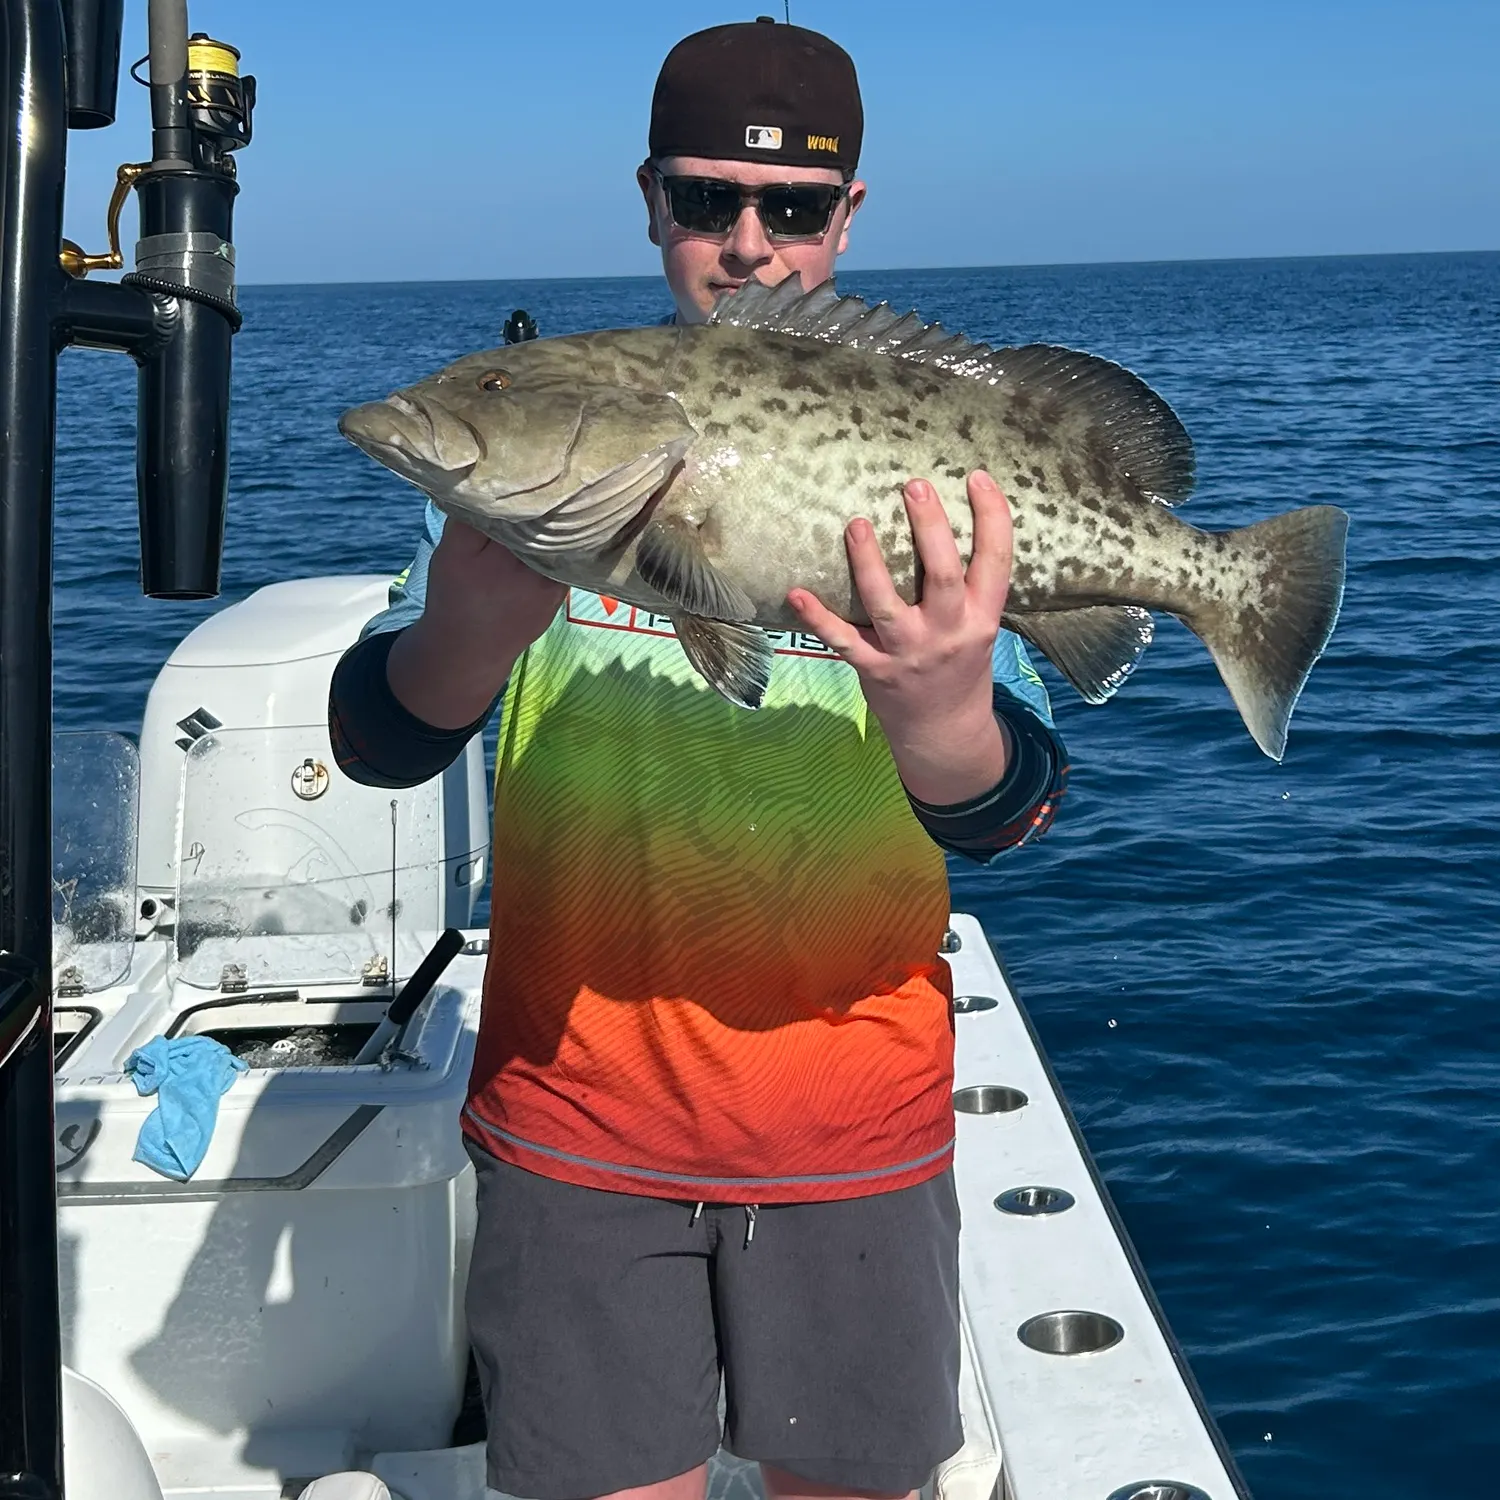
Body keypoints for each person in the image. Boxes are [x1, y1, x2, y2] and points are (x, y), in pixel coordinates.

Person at [329, 18, 1068, 1500]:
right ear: (652, 201)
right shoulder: (515, 514)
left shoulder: (936, 457)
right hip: (575, 1121)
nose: (748, 244)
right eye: (706, 200)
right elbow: (380, 738)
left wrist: (940, 721)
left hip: (855, 1119)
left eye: (791, 207)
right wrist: (467, 632)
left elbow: (1011, 809)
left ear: (846, 214)